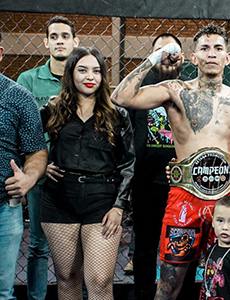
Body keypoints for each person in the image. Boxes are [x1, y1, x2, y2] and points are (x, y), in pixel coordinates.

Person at [111, 24, 230, 300]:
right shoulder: (175, 90)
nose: (211, 54)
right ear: (193, 57)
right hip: (184, 199)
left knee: (221, 281)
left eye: (218, 48)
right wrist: (154, 58)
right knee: (169, 284)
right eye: (204, 48)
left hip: (223, 198)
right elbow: (120, 97)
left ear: (227, 58)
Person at [39, 47, 134, 300]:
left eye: (96, 70)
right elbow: (29, 144)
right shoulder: (53, 108)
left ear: (103, 76)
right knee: (68, 279)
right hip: (59, 200)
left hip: (102, 201)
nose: (89, 76)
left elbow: (128, 164)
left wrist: (118, 207)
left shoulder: (117, 114)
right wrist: (41, 166)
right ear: (71, 73)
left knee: (100, 281)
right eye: (82, 70)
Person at [129, 32, 198, 299]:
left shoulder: (190, 90)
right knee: (144, 250)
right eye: (161, 51)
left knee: (184, 250)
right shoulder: (140, 90)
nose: (168, 56)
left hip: (183, 185)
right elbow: (118, 102)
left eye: (173, 51)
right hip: (146, 182)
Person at [16, 16, 79, 300]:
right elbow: (23, 130)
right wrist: (43, 165)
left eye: (65, 36)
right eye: (54, 36)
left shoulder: (85, 78)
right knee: (38, 247)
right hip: (42, 176)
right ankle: (36, 298)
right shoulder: (27, 80)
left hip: (78, 176)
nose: (59, 41)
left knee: (81, 244)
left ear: (75, 42)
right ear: (46, 42)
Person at [0, 28, 48, 300]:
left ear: (0, 54)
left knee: (3, 293)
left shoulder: (18, 96)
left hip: (4, 208)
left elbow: (37, 152)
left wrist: (29, 178)